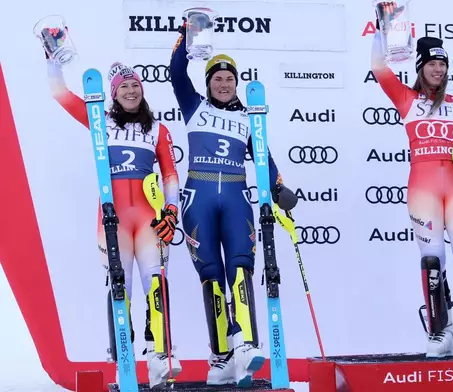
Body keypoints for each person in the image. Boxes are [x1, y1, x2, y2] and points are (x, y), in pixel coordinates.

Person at [169, 19, 298, 387]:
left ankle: (245, 344)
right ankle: (221, 357)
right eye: (217, 78)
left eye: (229, 79)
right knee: (210, 275)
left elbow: (265, 159)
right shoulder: (193, 106)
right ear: (208, 82)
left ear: (236, 83)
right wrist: (186, 33)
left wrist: (277, 187)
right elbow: (176, 71)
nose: (224, 84)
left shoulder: (247, 117)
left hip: (237, 199)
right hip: (200, 198)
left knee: (240, 267)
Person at [45, 50, 182, 387]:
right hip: (113, 221)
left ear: (142, 90)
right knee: (121, 289)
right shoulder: (100, 120)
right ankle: (123, 361)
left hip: (150, 220)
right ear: (114, 93)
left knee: (156, 283)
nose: (131, 91)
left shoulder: (158, 130)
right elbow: (59, 93)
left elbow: (169, 176)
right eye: (124, 87)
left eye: (135, 85)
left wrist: (172, 211)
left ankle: (159, 355)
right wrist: (53, 60)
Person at [370, 12, 453, 359]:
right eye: (432, 64)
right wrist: (383, 29)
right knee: (431, 260)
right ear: (421, 67)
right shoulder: (407, 100)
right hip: (423, 188)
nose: (439, 70)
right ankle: (440, 333)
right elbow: (378, 67)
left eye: (443, 64)